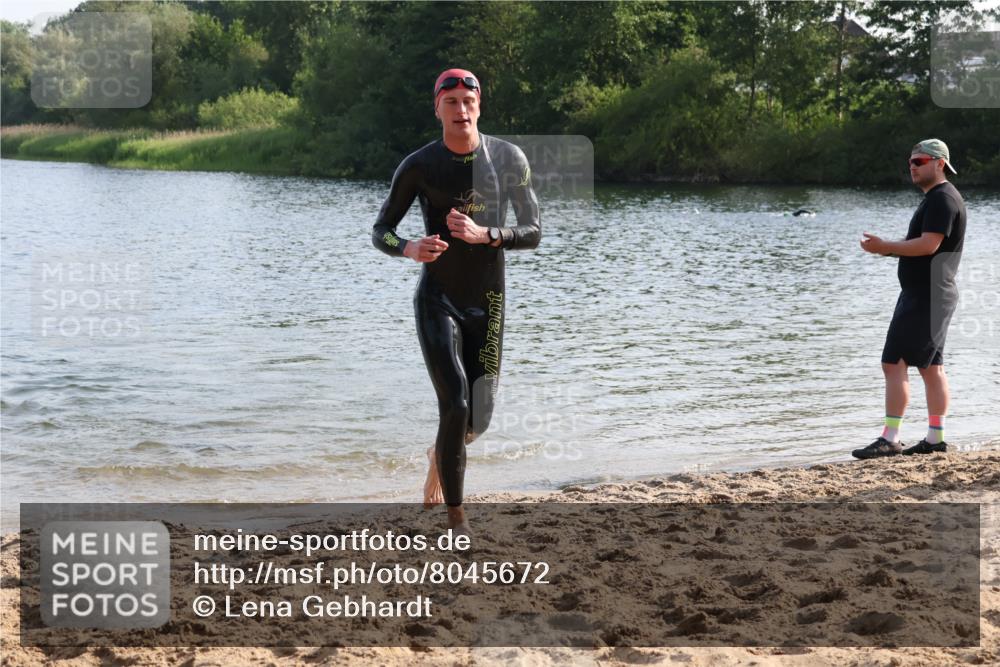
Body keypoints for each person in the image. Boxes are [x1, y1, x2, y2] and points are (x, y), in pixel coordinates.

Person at [371, 68, 540, 530]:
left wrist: (489, 234)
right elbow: (380, 230)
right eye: (452, 103)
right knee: (456, 403)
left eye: (469, 101)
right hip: (437, 300)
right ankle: (456, 517)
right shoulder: (420, 166)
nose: (461, 110)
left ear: (479, 106)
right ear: (438, 108)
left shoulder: (508, 159)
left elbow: (533, 231)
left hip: (489, 302)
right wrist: (408, 247)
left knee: (476, 421)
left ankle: (438, 454)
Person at [853, 138, 966, 459]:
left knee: (893, 363)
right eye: (910, 163)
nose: (912, 167)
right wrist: (886, 249)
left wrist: (886, 245)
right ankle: (935, 438)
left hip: (927, 295)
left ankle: (890, 437)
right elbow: (920, 245)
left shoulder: (943, 199)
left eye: (919, 161)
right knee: (932, 368)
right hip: (929, 294)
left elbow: (928, 245)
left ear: (939, 163)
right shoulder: (936, 199)